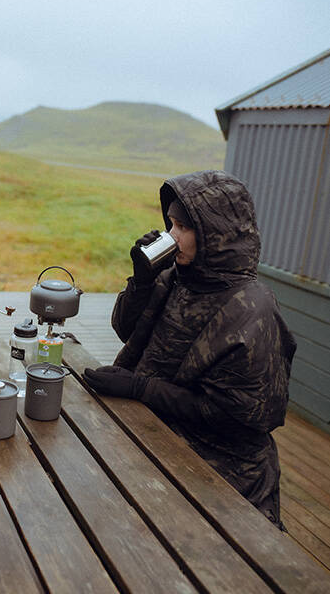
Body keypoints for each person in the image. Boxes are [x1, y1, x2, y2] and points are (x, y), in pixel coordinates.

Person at [83, 169, 296, 529]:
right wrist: (142, 280)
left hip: (221, 476)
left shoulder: (252, 309)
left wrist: (140, 388)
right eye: (170, 224)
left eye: (183, 227)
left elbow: (238, 418)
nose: (171, 236)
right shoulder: (177, 279)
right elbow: (126, 330)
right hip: (154, 436)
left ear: (216, 235)